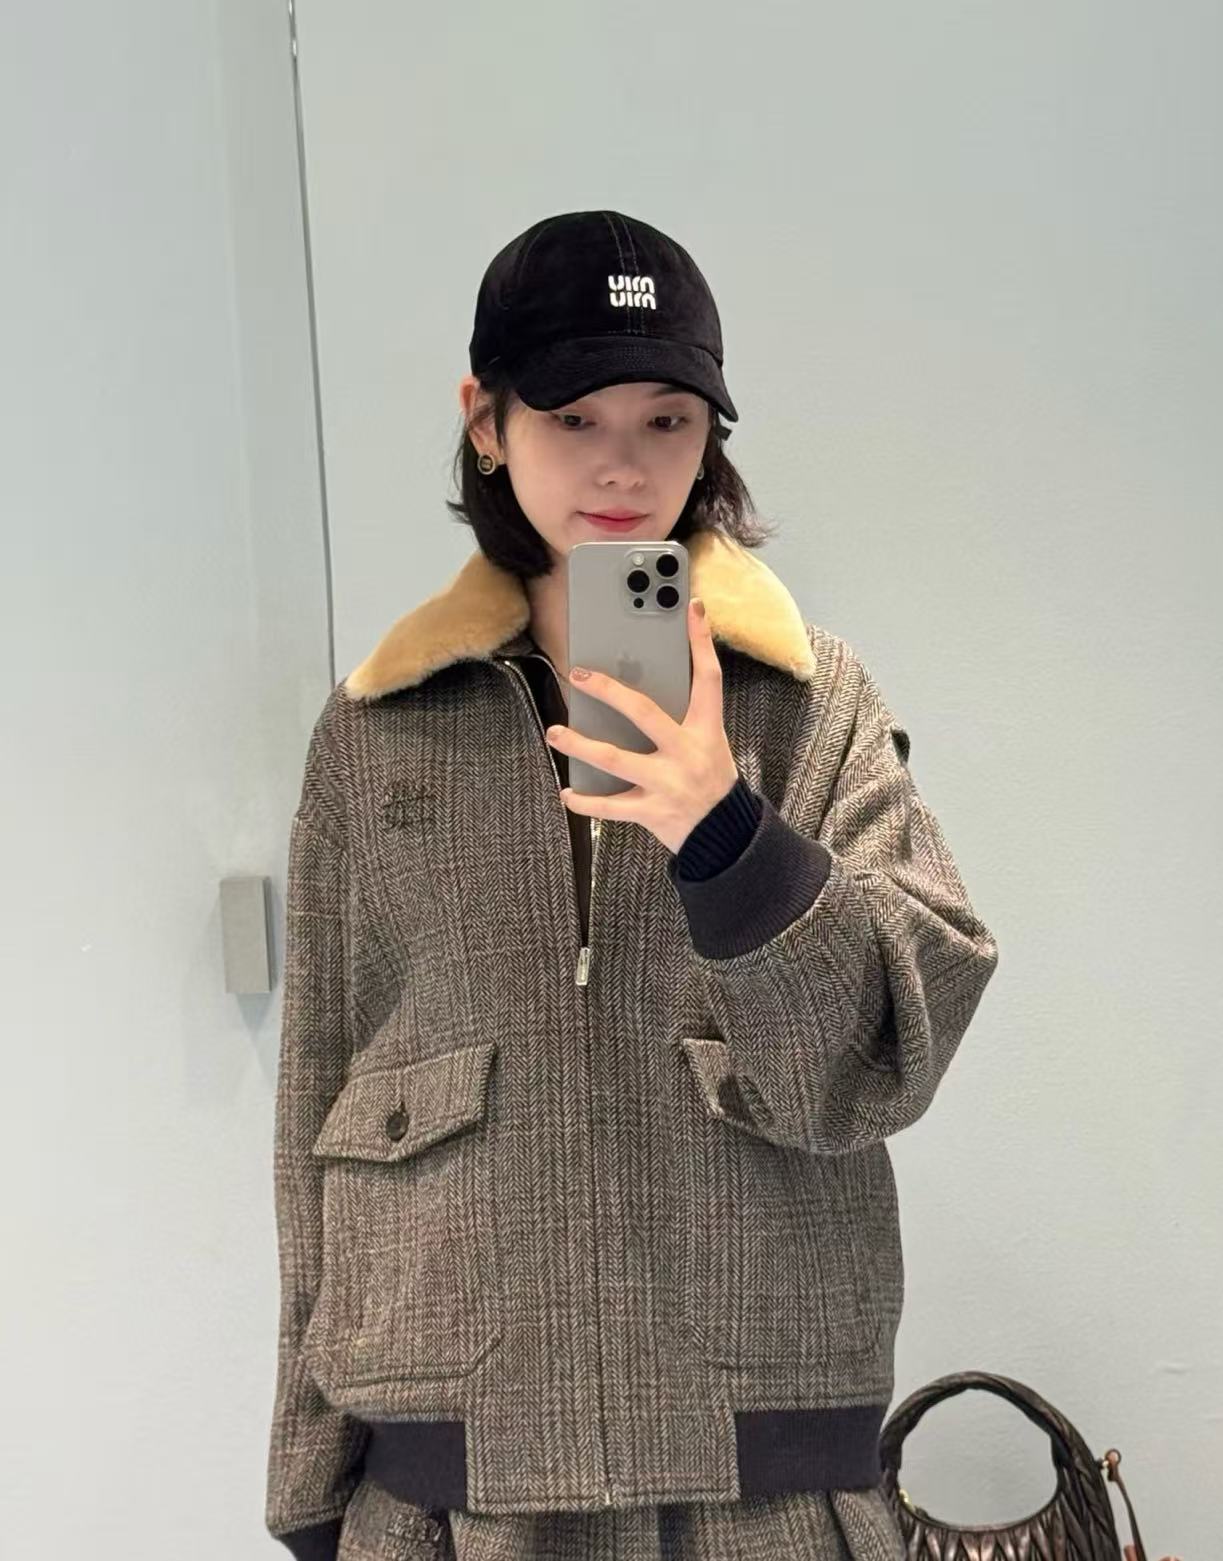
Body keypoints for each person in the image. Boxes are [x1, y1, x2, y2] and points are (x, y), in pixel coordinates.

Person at [264, 209, 1000, 1561]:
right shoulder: (377, 731)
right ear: (485, 421)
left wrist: (726, 833)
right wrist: (310, 1488)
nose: (623, 462)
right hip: (453, 1482)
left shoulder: (812, 701)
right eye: (574, 416)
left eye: (667, 420)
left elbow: (897, 1043)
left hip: (766, 1482)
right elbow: (319, 1084)